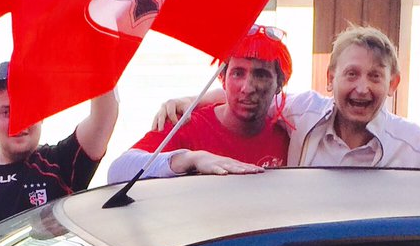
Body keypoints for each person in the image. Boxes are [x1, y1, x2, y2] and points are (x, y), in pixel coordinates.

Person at [150, 25, 420, 175]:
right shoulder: (304, 110)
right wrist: (191, 100)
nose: (362, 89)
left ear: (393, 83)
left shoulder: (414, 143)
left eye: (375, 76)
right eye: (351, 75)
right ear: (330, 78)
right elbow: (257, 93)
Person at [0, 62, 119, 244]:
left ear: (42, 116)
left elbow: (104, 116)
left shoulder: (60, 163)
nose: (19, 122)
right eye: (7, 112)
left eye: (28, 109)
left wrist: (98, 54)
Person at [108, 24, 294, 181]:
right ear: (222, 78)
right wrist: (191, 159)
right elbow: (117, 171)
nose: (247, 87)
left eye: (261, 75)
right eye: (238, 73)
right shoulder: (186, 124)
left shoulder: (292, 134)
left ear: (279, 84)